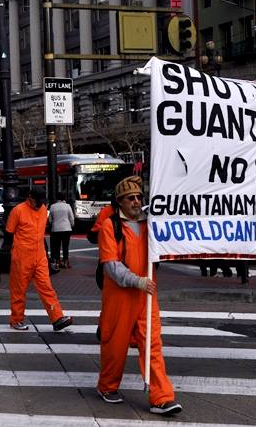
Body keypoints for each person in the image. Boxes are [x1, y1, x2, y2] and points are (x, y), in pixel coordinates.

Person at [96, 176, 181, 415]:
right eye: (130, 198)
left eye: (138, 197)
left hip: (146, 296)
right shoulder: (109, 226)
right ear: (119, 202)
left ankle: (162, 396)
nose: (136, 201)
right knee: (115, 345)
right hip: (120, 297)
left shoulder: (151, 224)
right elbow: (111, 266)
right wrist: (137, 281)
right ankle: (107, 385)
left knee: (152, 345)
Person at [5, 188, 73, 332]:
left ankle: (57, 318)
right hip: (22, 256)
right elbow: (9, 233)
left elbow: (40, 233)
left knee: (46, 287)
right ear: (30, 197)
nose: (40, 204)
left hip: (39, 255)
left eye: (42, 201)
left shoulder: (42, 209)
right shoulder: (18, 210)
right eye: (38, 201)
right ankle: (16, 319)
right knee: (19, 289)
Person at [48, 192, 75, 269]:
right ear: (64, 198)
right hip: (66, 229)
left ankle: (57, 262)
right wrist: (72, 225)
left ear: (57, 198)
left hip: (56, 229)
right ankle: (66, 262)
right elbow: (71, 217)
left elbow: (50, 219)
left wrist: (52, 223)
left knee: (57, 246)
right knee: (65, 246)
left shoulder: (52, 206)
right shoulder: (67, 206)